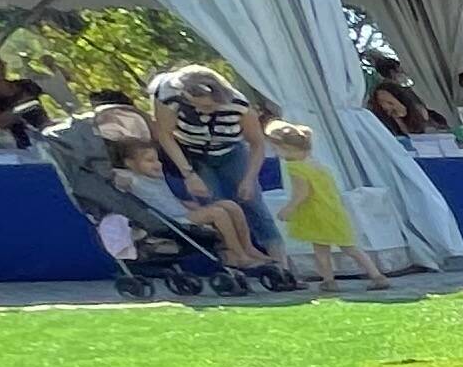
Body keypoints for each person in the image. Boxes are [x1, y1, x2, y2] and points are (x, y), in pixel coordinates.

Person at [146, 65, 285, 264]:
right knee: (214, 203)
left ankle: (280, 262)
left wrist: (249, 178)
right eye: (196, 106)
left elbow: (257, 143)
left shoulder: (238, 104)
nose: (202, 111)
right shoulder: (168, 95)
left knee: (254, 203)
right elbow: (165, 135)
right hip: (192, 153)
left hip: (230, 151)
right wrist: (189, 174)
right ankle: (236, 257)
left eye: (209, 107)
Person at [264, 119, 389, 293]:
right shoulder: (317, 164)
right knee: (349, 246)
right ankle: (374, 274)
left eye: (276, 148)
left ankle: (330, 280)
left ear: (287, 148)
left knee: (321, 249)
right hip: (332, 209)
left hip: (315, 212)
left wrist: (289, 208)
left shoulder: (295, 168)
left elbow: (302, 192)